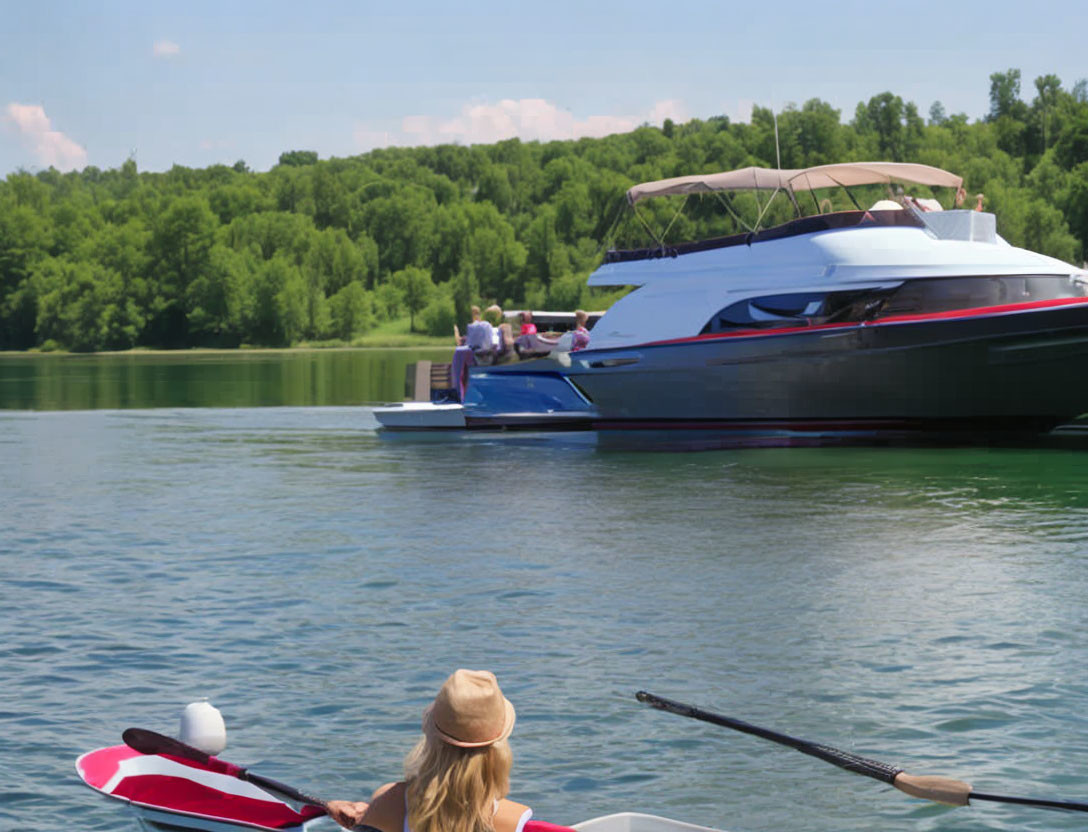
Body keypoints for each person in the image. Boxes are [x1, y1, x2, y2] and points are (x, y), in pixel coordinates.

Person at [326, 669, 532, 832]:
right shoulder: (515, 820)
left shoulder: (391, 803)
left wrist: (365, 822)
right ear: (498, 750)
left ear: (432, 737)